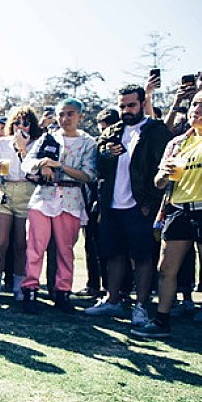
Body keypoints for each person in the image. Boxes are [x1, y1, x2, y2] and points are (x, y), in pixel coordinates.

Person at [84, 85, 173, 325]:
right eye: (122, 106)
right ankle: (113, 300)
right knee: (113, 254)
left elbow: (164, 168)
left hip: (140, 205)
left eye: (131, 105)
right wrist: (106, 154)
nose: (126, 110)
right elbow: (97, 164)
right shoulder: (112, 131)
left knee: (142, 257)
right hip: (112, 205)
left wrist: (151, 204)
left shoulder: (155, 131)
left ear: (143, 104)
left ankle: (141, 306)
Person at [134, 89, 202, 338]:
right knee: (166, 269)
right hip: (177, 209)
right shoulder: (177, 143)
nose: (196, 110)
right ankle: (161, 322)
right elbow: (158, 183)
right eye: (195, 104)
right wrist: (163, 174)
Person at [20, 98, 97, 314]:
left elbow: (89, 175)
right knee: (35, 247)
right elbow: (27, 162)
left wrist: (60, 166)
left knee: (65, 250)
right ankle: (30, 289)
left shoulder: (88, 143)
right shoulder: (48, 138)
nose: (65, 119)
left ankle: (63, 292)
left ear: (80, 116)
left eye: (70, 114)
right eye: (61, 114)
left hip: (71, 198)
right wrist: (42, 164)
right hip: (44, 196)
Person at [0, 107, 41, 301]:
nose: (21, 127)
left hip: (27, 191)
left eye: (26, 123)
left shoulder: (36, 144)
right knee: (0, 242)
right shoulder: (1, 143)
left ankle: (18, 286)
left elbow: (35, 172)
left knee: (20, 244)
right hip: (5, 189)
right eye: (17, 123)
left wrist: (22, 149)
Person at [76, 107, 120, 299]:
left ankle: (113, 288)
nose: (105, 133)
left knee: (110, 248)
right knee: (90, 244)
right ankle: (93, 285)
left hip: (114, 202)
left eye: (108, 127)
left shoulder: (121, 145)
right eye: (101, 128)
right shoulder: (96, 145)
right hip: (92, 200)